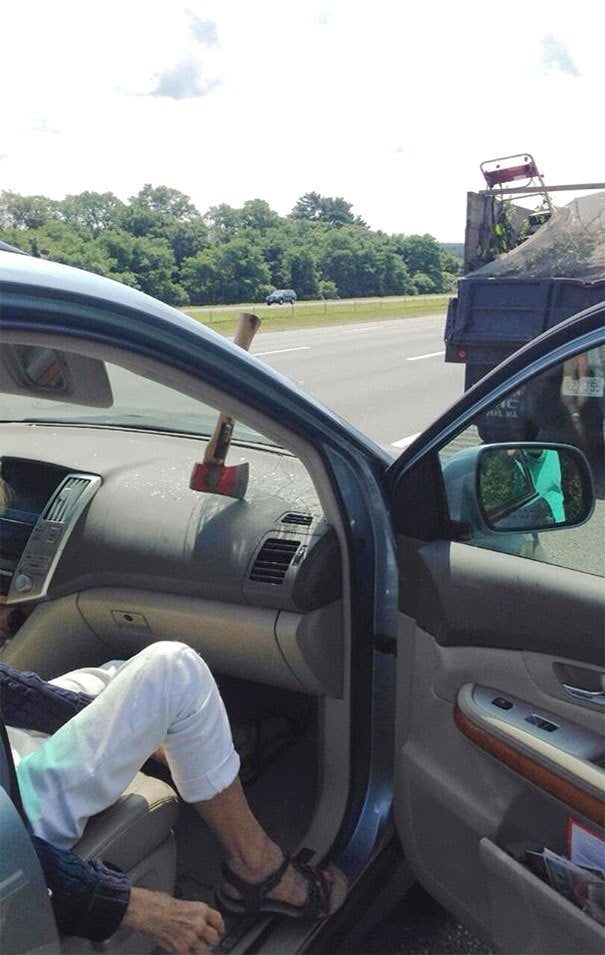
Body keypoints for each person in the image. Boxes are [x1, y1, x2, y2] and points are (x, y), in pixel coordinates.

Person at [0, 497, 345, 955]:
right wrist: (129, 905)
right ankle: (257, 869)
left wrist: (125, 724)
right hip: (16, 821)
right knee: (173, 670)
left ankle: (211, 753)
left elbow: (9, 693)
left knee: (119, 677)